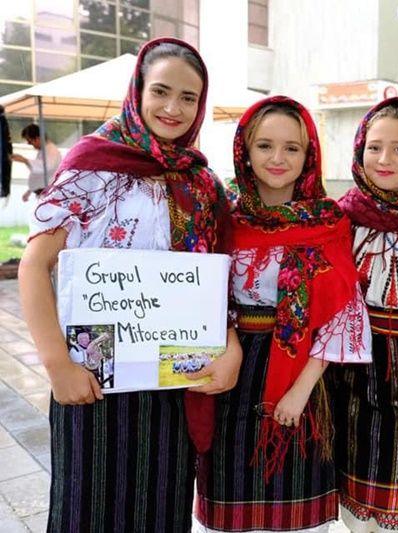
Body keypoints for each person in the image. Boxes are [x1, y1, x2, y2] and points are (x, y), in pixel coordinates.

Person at [18, 37, 239, 532]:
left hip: (174, 376)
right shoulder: (93, 165)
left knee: (162, 508)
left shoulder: (202, 184)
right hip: (93, 374)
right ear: (138, 91)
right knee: (89, 510)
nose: (173, 108)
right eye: (161, 91)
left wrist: (230, 345)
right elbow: (34, 266)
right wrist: (58, 365)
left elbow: (214, 278)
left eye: (188, 98)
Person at [195, 96, 371, 533]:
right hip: (232, 369)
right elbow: (202, 293)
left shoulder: (328, 222)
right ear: (245, 150)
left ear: (308, 155)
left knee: (297, 510)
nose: (278, 158)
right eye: (265, 146)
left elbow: (343, 312)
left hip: (301, 376)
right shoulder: (221, 216)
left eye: (292, 148)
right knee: (229, 504)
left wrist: (301, 390)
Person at [335, 97, 398, 531]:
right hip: (350, 363)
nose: (385, 159)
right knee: (348, 467)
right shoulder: (341, 218)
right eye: (374, 148)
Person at [11, 123, 62, 200]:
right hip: (43, 193)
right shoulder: (44, 150)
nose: (29, 144)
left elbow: (46, 167)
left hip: (48, 194)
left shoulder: (51, 150)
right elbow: (40, 175)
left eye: (30, 141)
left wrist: (25, 160)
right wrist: (29, 191)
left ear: (38, 138)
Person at [0, 105, 11, 199]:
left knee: (4, 167)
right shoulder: (3, 120)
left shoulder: (2, 121)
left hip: (4, 150)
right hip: (5, 149)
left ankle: (4, 189)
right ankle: (4, 189)